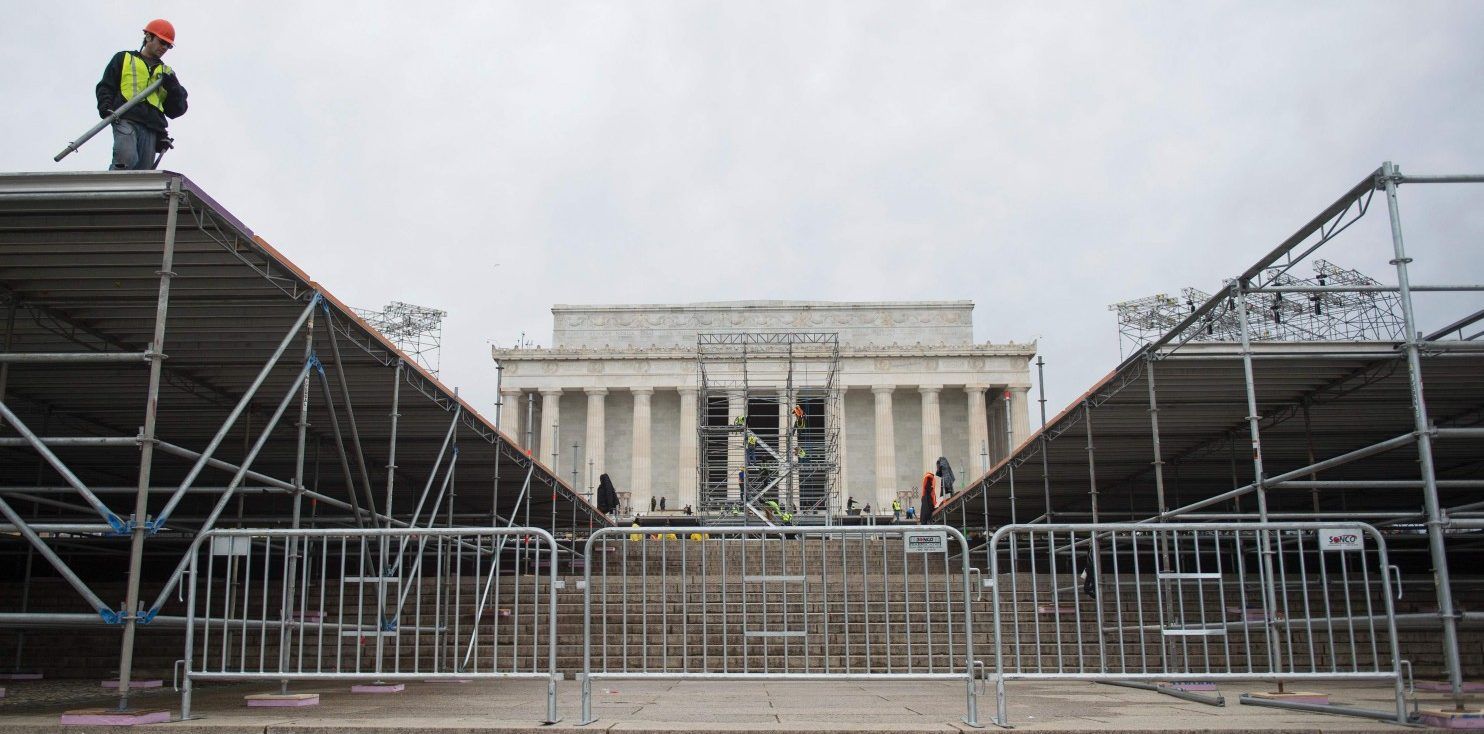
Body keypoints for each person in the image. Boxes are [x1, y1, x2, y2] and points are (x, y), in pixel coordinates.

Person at [96, 19, 188, 170]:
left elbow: (177, 109)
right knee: (126, 159)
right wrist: (105, 107)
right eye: (162, 42)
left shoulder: (167, 73)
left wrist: (173, 87)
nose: (164, 48)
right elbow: (106, 86)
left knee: (142, 172)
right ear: (148, 37)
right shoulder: (124, 58)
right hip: (125, 117)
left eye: (168, 45)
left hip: (152, 127)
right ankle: (114, 185)